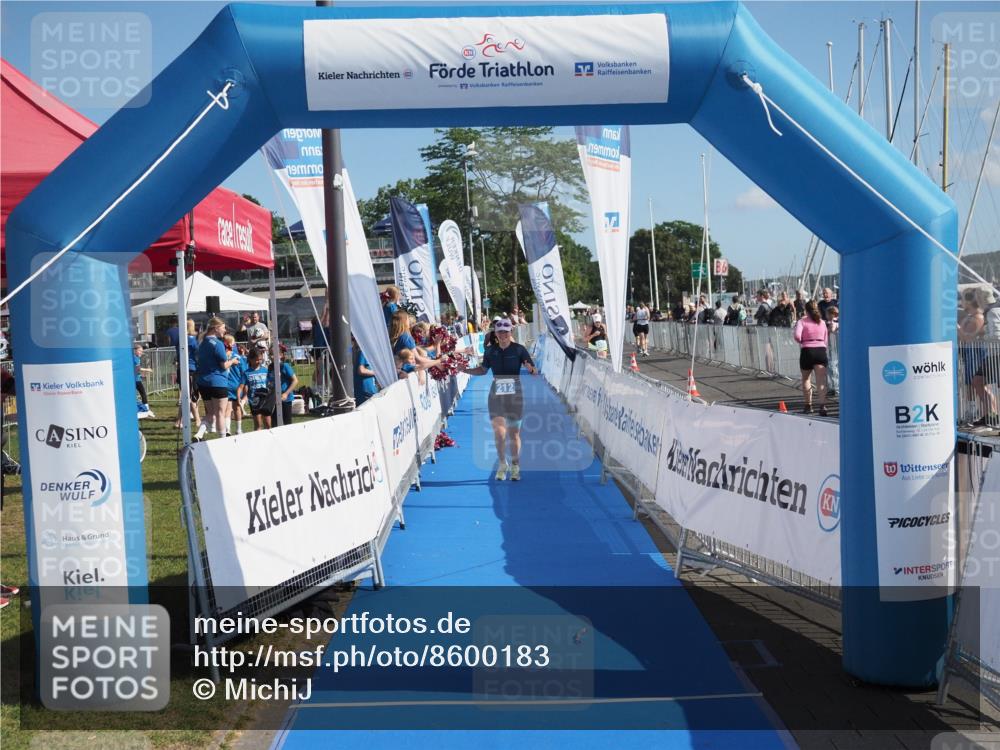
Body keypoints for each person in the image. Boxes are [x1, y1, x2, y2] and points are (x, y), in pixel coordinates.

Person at [461, 317, 537, 481]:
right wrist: (465, 370)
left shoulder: (519, 349)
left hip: (515, 396)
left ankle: (515, 465)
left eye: (506, 332)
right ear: (496, 333)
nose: (503, 335)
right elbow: (483, 370)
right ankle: (503, 464)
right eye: (500, 332)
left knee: (514, 434)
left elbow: (533, 371)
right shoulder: (490, 351)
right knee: (499, 432)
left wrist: (530, 369)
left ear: (511, 332)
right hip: (496, 395)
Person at [194, 318, 240, 440]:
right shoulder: (218, 344)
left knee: (210, 413)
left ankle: (199, 434)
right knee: (220, 413)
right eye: (223, 328)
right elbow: (224, 365)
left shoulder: (201, 342)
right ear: (216, 328)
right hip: (217, 382)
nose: (225, 330)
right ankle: (223, 439)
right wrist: (233, 361)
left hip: (203, 382)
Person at [793, 301, 829, 416]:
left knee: (806, 379)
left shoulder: (802, 321)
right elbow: (826, 339)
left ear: (806, 310)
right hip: (820, 350)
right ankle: (822, 406)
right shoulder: (822, 322)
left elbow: (797, 336)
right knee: (821, 381)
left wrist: (802, 341)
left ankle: (808, 406)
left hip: (807, 350)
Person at [270, 346, 299, 426]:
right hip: (274, 399)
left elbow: (295, 380)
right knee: (274, 424)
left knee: (287, 424)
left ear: (281, 355)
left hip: (286, 399)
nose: (272, 356)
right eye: (270, 354)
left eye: (274, 354)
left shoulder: (285, 366)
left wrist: (286, 393)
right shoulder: (270, 367)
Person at [224, 335, 248, 435]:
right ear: (230, 344)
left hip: (225, 385)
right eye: (233, 342)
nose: (234, 345)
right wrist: (245, 386)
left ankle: (227, 430)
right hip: (237, 385)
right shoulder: (238, 357)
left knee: (227, 408)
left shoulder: (222, 356)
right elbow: (244, 372)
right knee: (237, 407)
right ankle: (238, 429)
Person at [244, 350, 272, 431]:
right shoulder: (246, 373)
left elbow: (270, 383)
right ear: (250, 359)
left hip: (265, 400)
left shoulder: (265, 370)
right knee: (258, 424)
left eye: (260, 359)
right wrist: (244, 396)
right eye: (256, 360)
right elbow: (245, 386)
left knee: (268, 424)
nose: (259, 362)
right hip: (254, 400)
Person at [353, 338, 378, 407]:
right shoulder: (364, 352)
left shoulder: (368, 352)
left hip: (369, 391)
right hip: (364, 391)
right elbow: (361, 370)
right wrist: (377, 373)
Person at [134, 345, 154, 417]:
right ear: (135, 350)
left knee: (142, 394)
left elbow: (136, 369)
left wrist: (141, 374)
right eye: (140, 351)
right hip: (135, 380)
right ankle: (146, 409)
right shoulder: (135, 358)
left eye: (142, 351)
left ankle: (145, 409)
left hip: (136, 378)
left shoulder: (136, 358)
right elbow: (138, 369)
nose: (141, 352)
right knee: (143, 393)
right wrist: (147, 370)